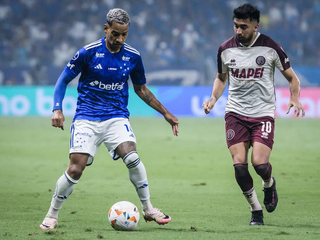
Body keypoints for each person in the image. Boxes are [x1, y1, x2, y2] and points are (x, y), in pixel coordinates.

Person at [40, 8, 179, 230]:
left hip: (116, 117)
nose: (120, 39)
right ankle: (52, 214)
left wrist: (165, 113)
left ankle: (148, 209)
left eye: (124, 34)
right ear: (106, 29)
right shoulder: (88, 52)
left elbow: (141, 89)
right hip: (87, 117)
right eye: (115, 33)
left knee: (132, 157)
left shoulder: (133, 56)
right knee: (76, 169)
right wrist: (57, 109)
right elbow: (62, 80)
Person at [203, 3, 305, 225]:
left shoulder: (271, 47)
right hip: (235, 113)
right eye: (235, 26)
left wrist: (294, 97)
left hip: (263, 114)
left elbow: (292, 78)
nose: (238, 31)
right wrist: (213, 98)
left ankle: (269, 184)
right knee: (239, 165)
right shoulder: (225, 49)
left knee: (259, 164)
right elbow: (221, 78)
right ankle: (255, 210)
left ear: (255, 26)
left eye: (243, 27)